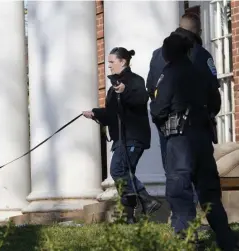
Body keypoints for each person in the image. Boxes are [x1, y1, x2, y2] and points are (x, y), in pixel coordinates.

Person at [150, 32, 238, 251]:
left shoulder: (169, 74)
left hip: (180, 140)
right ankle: (227, 241)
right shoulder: (200, 73)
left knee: (180, 191)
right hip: (202, 137)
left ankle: (188, 241)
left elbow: (158, 109)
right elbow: (215, 103)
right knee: (209, 193)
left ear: (168, 54)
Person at [82, 47, 161, 224]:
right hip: (120, 138)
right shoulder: (113, 88)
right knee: (126, 175)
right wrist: (95, 113)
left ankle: (147, 200)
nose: (108, 66)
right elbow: (112, 113)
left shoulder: (135, 81)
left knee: (119, 171)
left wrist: (125, 91)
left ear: (122, 61)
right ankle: (129, 217)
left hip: (133, 136)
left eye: (111, 62)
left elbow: (141, 99)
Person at [146, 12, 221, 171]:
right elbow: (213, 92)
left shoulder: (157, 54)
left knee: (173, 176)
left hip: (166, 126)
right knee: (200, 177)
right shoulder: (201, 54)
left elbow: (151, 89)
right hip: (194, 125)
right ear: (198, 32)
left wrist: (160, 114)